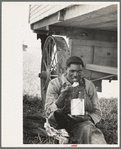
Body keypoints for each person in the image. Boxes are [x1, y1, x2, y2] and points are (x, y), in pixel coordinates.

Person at [45, 56, 107, 144]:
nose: (75, 75)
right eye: (72, 71)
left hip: (80, 123)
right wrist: (61, 97)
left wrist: (85, 118)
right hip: (58, 123)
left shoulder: (89, 85)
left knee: (92, 133)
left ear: (83, 71)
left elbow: (97, 112)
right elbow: (48, 111)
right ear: (66, 70)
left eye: (79, 71)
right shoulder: (55, 84)